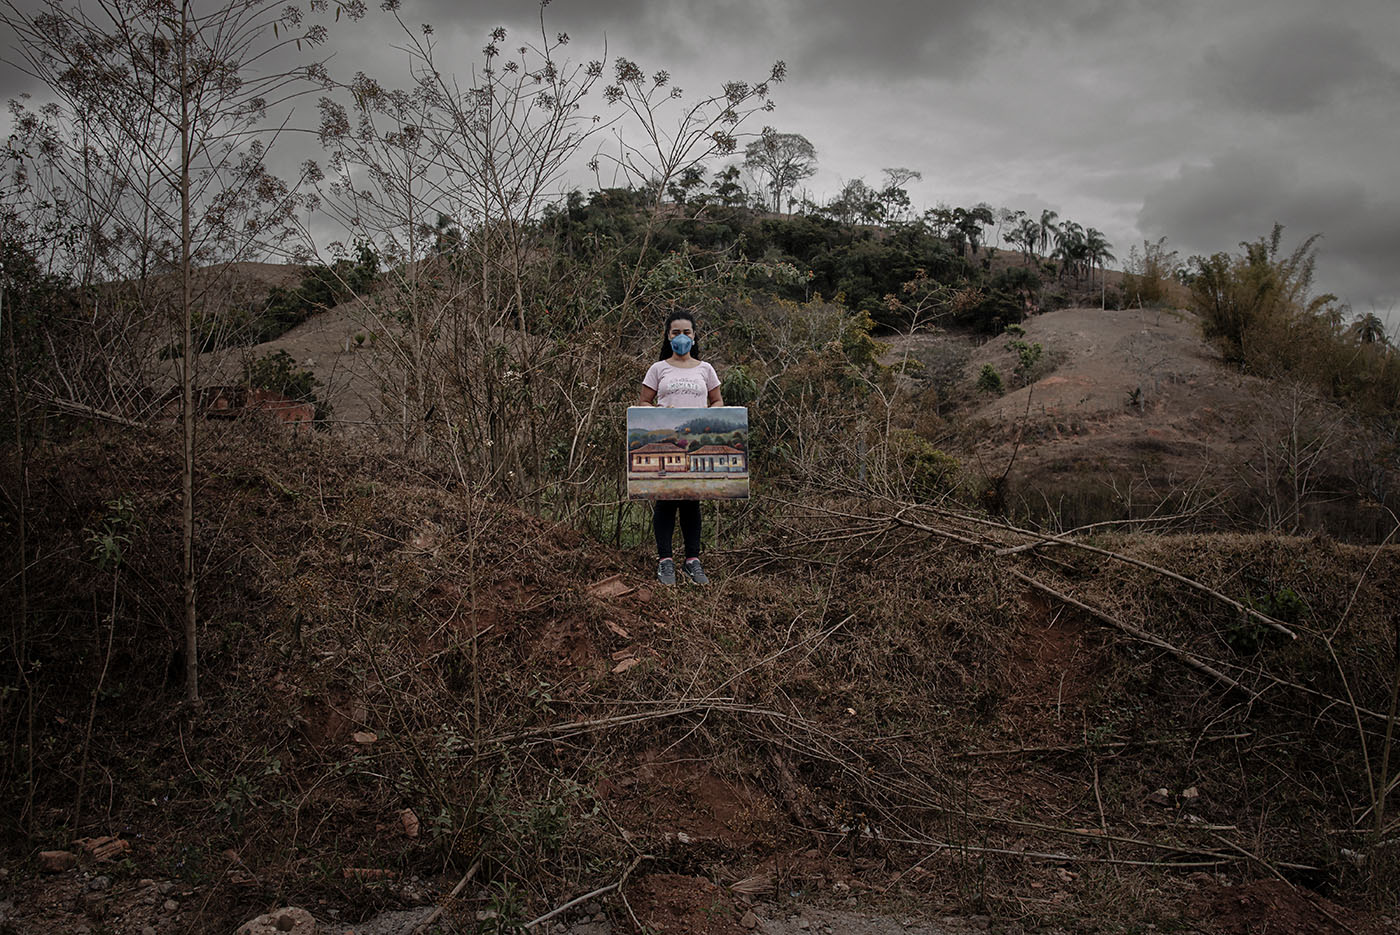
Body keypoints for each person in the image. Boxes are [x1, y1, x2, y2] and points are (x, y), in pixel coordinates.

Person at [638, 310, 723, 585]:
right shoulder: (658, 368)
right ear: (668, 336)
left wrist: (707, 422)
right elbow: (644, 403)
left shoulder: (705, 369)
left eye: (687, 332)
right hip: (665, 442)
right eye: (676, 332)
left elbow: (717, 402)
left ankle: (692, 561)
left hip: (696, 444)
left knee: (690, 500)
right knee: (665, 500)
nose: (682, 337)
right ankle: (665, 562)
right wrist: (664, 418)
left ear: (694, 335)